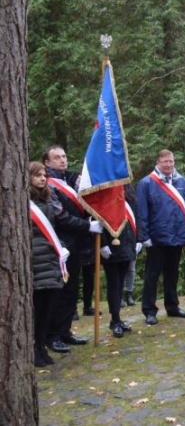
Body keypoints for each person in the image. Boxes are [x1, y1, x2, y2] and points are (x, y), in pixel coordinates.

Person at [43, 145, 101, 352]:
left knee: (71, 290)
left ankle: (65, 331)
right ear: (47, 162)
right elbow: (60, 216)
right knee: (58, 292)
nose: (62, 160)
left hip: (77, 245)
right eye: (57, 157)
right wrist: (87, 225)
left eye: (64, 156)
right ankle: (52, 336)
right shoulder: (47, 185)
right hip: (58, 245)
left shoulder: (71, 180)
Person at [136, 149, 185, 325]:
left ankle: (172, 306)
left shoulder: (182, 181)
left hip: (177, 236)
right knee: (152, 275)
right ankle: (149, 310)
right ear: (158, 162)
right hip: (156, 238)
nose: (169, 165)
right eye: (165, 162)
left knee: (172, 274)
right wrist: (144, 236)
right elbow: (142, 212)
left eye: (171, 161)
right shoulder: (146, 183)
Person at [29, 162, 68, 366]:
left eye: (44, 175)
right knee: (37, 309)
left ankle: (42, 346)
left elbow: (52, 230)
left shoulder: (47, 200)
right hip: (36, 261)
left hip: (51, 260)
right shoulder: (25, 203)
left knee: (48, 310)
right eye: (37, 175)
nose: (42, 178)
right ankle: (34, 349)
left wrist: (61, 247)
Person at [100, 185, 138, 338]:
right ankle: (115, 320)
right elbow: (98, 219)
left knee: (120, 283)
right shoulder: (105, 192)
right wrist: (102, 243)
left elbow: (136, 217)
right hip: (111, 245)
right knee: (114, 284)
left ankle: (117, 319)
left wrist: (138, 239)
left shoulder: (129, 194)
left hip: (128, 243)